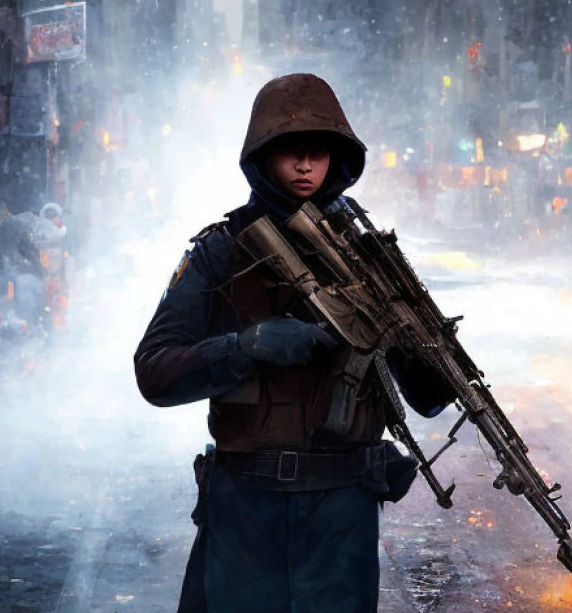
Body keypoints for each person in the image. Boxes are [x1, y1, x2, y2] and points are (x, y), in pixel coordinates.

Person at [134, 73, 455, 613]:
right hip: (245, 508)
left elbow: (430, 395)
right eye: (291, 153)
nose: (306, 166)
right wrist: (245, 347)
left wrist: (398, 333)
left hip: (340, 513)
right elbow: (155, 372)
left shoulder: (367, 254)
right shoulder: (221, 250)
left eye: (319, 153)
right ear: (264, 158)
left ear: (339, 160)